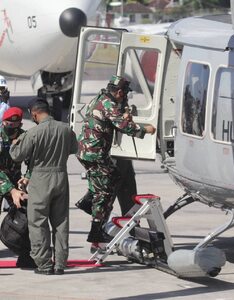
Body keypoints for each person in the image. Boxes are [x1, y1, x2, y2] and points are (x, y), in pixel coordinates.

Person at [76, 75, 156, 245]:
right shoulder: (109, 105)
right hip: (95, 154)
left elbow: (115, 116)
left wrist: (124, 111)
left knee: (115, 177)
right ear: (119, 92)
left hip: (87, 151)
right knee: (104, 193)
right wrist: (146, 130)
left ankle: (87, 201)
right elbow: (123, 126)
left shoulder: (101, 97)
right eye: (125, 94)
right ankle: (96, 233)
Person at [10, 98, 78, 275]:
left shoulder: (33, 133)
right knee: (61, 222)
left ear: (34, 113)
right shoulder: (65, 129)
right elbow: (73, 148)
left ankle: (44, 265)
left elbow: (17, 156)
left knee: (38, 222)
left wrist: (15, 143)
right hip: (61, 177)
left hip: (40, 179)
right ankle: (60, 264)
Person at [0, 107, 35, 268]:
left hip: (15, 179)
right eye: (8, 124)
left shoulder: (25, 137)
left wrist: (26, 178)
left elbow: (33, 161)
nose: (11, 128)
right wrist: (11, 190)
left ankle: (25, 254)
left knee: (26, 215)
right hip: (3, 179)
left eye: (15, 125)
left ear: (20, 124)